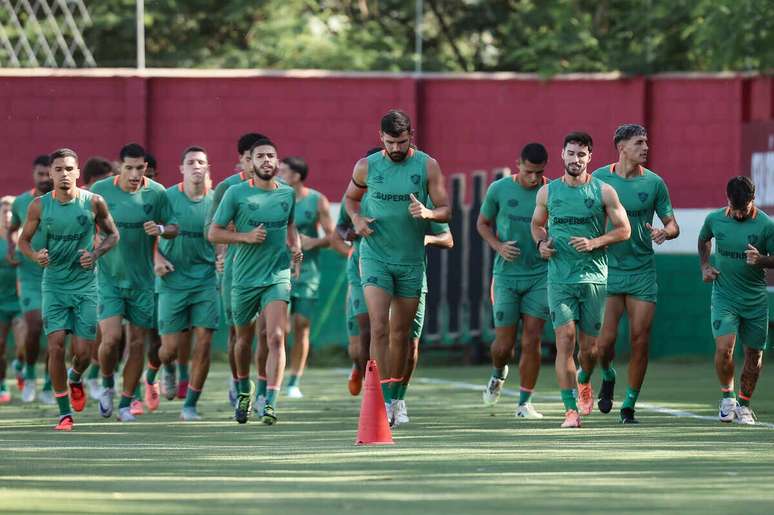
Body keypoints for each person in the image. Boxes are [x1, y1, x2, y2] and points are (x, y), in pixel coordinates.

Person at [344, 110, 451, 420]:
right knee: (378, 326)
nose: (395, 148)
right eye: (390, 142)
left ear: (411, 137)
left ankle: (395, 399)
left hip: (410, 261)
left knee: (401, 333)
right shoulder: (366, 166)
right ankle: (381, 399)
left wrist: (429, 214)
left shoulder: (427, 165)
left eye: (401, 142)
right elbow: (350, 199)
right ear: (381, 138)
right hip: (375, 255)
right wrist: (357, 218)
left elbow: (446, 209)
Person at [531, 131, 630, 428]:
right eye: (571, 153)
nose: (576, 159)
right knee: (565, 342)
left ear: (590, 157)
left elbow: (623, 230)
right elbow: (537, 225)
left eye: (581, 154)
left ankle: (586, 379)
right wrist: (541, 244)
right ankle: (570, 411)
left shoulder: (603, 192)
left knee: (589, 350)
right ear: (562, 155)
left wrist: (595, 242)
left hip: (593, 279)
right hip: (559, 279)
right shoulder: (547, 192)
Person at [17, 148, 119, 430]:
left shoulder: (94, 202)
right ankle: (64, 414)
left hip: (85, 285)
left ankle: (76, 378)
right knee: (55, 345)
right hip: (54, 285)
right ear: (51, 174)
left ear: (77, 172)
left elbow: (113, 235)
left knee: (84, 353)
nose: (64, 174)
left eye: (69, 169)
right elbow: (23, 242)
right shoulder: (39, 206)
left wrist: (95, 254)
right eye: (58, 169)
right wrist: (35, 256)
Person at [209, 138, 302, 425]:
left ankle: (270, 402)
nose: (266, 161)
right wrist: (244, 238)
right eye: (260, 156)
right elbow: (214, 232)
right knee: (243, 340)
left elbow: (290, 225)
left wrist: (295, 248)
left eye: (271, 156)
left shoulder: (287, 194)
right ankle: (243, 390)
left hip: (277, 275)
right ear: (249, 161)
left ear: (277, 162)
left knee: (275, 336)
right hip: (244, 277)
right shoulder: (235, 194)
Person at [592, 124, 680, 423]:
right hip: (606, 270)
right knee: (603, 343)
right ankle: (607, 375)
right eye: (639, 143)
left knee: (640, 338)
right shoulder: (598, 179)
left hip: (642, 271)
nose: (646, 147)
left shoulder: (655, 183)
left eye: (647, 142)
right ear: (621, 146)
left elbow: (673, 224)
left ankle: (628, 405)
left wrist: (665, 232)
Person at [90, 143, 178, 422]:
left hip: (143, 282)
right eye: (129, 167)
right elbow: (85, 224)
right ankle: (106, 384)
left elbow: (174, 227)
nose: (135, 173)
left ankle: (126, 404)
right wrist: (92, 242)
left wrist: (162, 230)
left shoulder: (157, 193)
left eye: (140, 168)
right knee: (112, 339)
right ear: (120, 167)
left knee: (138, 343)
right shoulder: (101, 191)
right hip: (109, 279)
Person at [479, 143, 550, 419]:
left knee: (532, 339)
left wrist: (548, 244)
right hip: (506, 276)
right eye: (530, 171)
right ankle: (498, 374)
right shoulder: (499, 189)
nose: (534, 178)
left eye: (540, 172)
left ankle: (524, 403)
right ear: (518, 163)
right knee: (503, 346)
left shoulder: (551, 191)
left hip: (539, 276)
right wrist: (498, 246)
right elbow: (482, 224)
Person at [698, 176, 774, 425]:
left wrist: (763, 260)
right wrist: (705, 266)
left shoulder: (765, 225)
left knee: (754, 355)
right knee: (724, 349)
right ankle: (727, 398)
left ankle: (744, 404)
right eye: (735, 208)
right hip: (724, 296)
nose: (739, 214)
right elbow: (704, 239)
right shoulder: (715, 219)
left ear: (753, 200)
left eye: (744, 209)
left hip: (755, 300)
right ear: (727, 199)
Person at [152, 146, 218, 421]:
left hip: (205, 280)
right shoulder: (166, 197)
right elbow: (148, 234)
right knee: (170, 349)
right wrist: (156, 257)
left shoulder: (217, 200)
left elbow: (225, 232)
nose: (196, 166)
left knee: (203, 342)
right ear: (181, 169)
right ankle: (166, 366)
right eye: (190, 162)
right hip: (172, 279)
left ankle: (190, 405)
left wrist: (223, 257)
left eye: (201, 162)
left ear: (207, 167)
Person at [206, 132, 267, 407]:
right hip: (235, 269)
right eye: (249, 158)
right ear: (242, 160)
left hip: (268, 270)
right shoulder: (227, 189)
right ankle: (239, 381)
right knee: (239, 332)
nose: (256, 163)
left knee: (268, 331)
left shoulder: (278, 188)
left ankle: (265, 387)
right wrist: (221, 255)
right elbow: (213, 229)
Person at [278, 156, 336, 399]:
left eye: (284, 171)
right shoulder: (275, 197)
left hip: (308, 272)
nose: (279, 174)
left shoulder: (317, 200)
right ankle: (272, 379)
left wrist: (315, 241)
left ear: (297, 176)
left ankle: (294, 381)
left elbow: (332, 236)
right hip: (278, 270)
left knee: (301, 325)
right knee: (279, 329)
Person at [7, 155, 54, 404]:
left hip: (57, 274)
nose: (46, 179)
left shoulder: (63, 201)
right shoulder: (22, 202)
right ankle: (28, 373)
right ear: (33, 175)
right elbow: (13, 227)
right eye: (41, 174)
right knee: (34, 326)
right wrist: (10, 248)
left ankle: (49, 384)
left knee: (55, 332)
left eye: (49, 174)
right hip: (29, 274)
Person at [80, 156, 116, 399]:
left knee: (104, 330)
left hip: (102, 270)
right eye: (102, 181)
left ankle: (94, 374)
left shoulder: (106, 202)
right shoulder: (80, 201)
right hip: (75, 272)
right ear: (91, 181)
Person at [0, 196, 26, 403]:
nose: (8, 215)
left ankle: (19, 364)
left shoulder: (24, 240)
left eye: (11, 212)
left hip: (20, 303)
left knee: (23, 345)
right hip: (0, 303)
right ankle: (1, 385)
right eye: (4, 211)